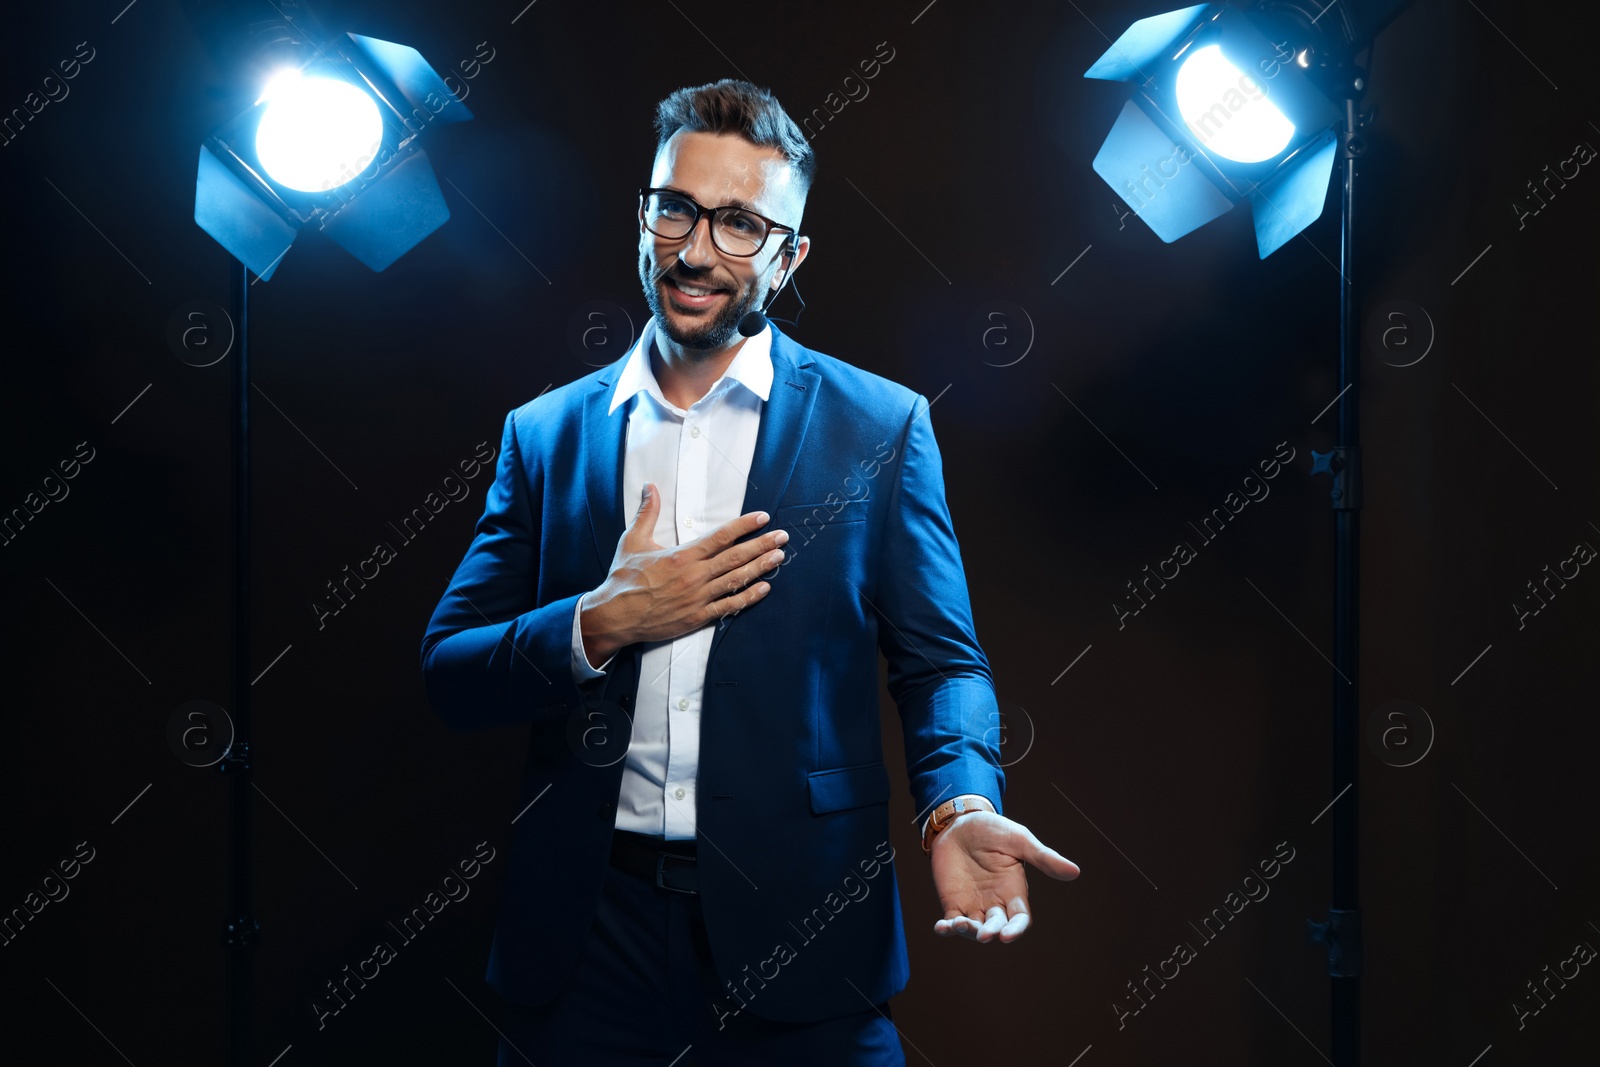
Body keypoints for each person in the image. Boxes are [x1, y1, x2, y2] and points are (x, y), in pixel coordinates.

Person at [420, 78, 1080, 1066]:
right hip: (586, 947)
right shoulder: (545, 433)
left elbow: (942, 664)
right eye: (674, 209)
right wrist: (597, 624)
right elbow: (450, 670)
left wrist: (959, 800)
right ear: (644, 215)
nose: (695, 250)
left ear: (789, 252)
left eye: (739, 222)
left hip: (806, 937)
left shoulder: (881, 426)